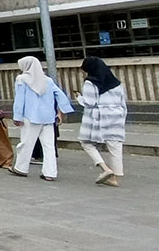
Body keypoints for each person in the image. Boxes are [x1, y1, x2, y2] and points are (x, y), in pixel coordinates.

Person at [10, 56, 74, 181]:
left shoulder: (21, 79)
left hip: (30, 116)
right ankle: (50, 173)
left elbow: (19, 100)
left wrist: (17, 116)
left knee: (26, 143)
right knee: (49, 146)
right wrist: (62, 110)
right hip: (48, 117)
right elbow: (59, 95)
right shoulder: (48, 80)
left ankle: (21, 168)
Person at [76, 57, 128, 187]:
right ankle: (115, 177)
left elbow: (90, 102)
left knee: (86, 143)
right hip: (117, 115)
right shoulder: (116, 83)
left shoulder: (90, 82)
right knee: (115, 145)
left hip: (99, 117)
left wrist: (79, 98)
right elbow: (123, 102)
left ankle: (105, 169)